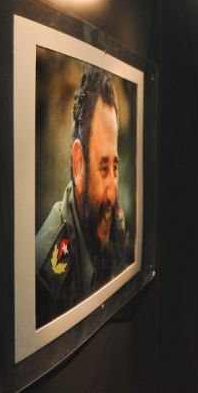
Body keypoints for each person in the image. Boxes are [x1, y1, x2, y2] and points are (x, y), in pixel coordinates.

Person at [35, 64, 129, 327]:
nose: (113, 189)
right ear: (78, 165)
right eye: (103, 167)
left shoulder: (113, 221)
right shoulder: (45, 272)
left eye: (115, 167)